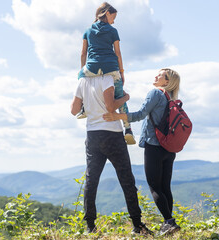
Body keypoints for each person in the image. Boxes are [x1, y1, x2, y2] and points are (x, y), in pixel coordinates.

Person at [103, 68, 182, 236]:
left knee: (154, 187)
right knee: (165, 187)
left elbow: (140, 114)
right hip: (169, 148)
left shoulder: (156, 93)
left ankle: (169, 222)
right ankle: (168, 222)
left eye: (160, 75)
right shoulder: (171, 98)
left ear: (167, 82)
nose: (156, 76)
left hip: (154, 146)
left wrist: (117, 117)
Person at [70, 74, 152, 235]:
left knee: (91, 180)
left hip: (92, 135)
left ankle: (90, 227)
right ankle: (137, 225)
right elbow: (110, 106)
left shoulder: (82, 81)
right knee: (126, 179)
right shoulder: (107, 78)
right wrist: (126, 97)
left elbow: (73, 110)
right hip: (112, 134)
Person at [76, 2, 136, 145]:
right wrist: (121, 72)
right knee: (120, 95)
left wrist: (83, 73)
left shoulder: (87, 31)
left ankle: (84, 108)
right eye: (113, 17)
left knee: (79, 77)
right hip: (111, 67)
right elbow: (118, 53)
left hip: (91, 67)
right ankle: (128, 129)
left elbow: (83, 53)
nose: (113, 21)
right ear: (107, 13)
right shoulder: (113, 30)